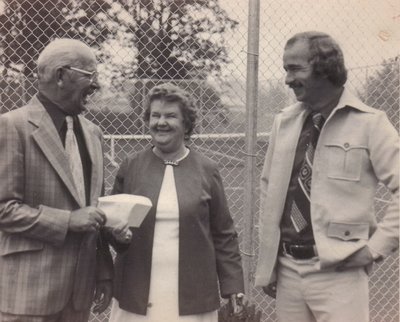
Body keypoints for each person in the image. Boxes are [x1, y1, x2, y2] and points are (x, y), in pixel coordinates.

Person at [255, 31, 399, 322]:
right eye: (286, 69)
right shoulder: (283, 122)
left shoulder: (371, 124)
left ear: (324, 68)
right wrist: (270, 262)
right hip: (287, 270)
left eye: (295, 68)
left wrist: (374, 250)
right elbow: (268, 190)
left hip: (339, 272)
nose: (287, 79)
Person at [0, 38, 129, 322]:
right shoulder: (11, 126)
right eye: (89, 75)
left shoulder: (94, 133)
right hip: (28, 296)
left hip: (78, 296)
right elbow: (4, 209)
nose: (96, 85)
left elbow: (94, 210)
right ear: (61, 75)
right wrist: (68, 221)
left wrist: (104, 271)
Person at [108, 83, 245, 322]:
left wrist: (233, 286)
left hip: (192, 296)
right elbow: (111, 227)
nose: (161, 122)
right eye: (155, 115)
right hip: (137, 292)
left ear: (186, 123)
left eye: (171, 116)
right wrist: (117, 236)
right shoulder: (131, 166)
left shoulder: (207, 169)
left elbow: (224, 233)